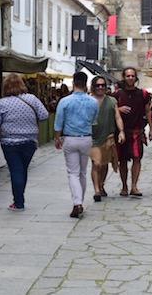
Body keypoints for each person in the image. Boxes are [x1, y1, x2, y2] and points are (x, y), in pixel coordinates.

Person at [0, 74, 49, 211]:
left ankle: (19, 202)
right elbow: (44, 115)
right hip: (30, 142)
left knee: (16, 170)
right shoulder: (32, 99)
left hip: (9, 142)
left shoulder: (2, 103)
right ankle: (19, 198)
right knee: (22, 170)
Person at [54, 71, 99, 218]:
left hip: (70, 138)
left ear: (73, 83)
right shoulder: (93, 102)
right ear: (86, 84)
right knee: (82, 172)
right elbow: (94, 121)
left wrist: (57, 138)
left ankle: (77, 202)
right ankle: (80, 201)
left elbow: (58, 122)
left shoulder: (65, 101)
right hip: (86, 138)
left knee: (72, 173)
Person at [115, 67, 152, 197]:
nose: (130, 78)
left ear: (136, 77)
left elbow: (148, 111)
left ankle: (134, 186)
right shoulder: (117, 95)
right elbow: (112, 110)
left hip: (137, 131)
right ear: (124, 77)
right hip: (122, 132)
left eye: (132, 76)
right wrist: (119, 109)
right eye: (128, 76)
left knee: (137, 158)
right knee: (123, 160)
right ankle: (124, 186)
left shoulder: (143, 94)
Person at [89, 76, 125, 202]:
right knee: (96, 163)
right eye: (98, 85)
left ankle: (102, 184)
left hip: (108, 137)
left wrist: (121, 131)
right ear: (93, 86)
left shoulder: (112, 101)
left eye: (103, 85)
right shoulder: (88, 100)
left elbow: (117, 117)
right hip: (92, 137)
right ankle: (97, 190)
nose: (100, 87)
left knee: (104, 164)